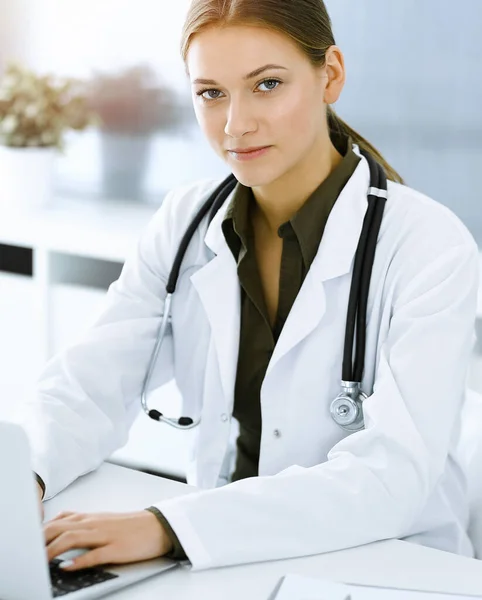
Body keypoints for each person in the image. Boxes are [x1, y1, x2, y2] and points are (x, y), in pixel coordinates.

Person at [13, 0, 479, 572]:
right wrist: (21, 478)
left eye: (267, 85)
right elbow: (87, 385)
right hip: (222, 558)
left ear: (329, 74)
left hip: (387, 566)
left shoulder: (428, 245)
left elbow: (394, 474)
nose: (235, 124)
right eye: (211, 93)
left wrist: (169, 526)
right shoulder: (185, 221)